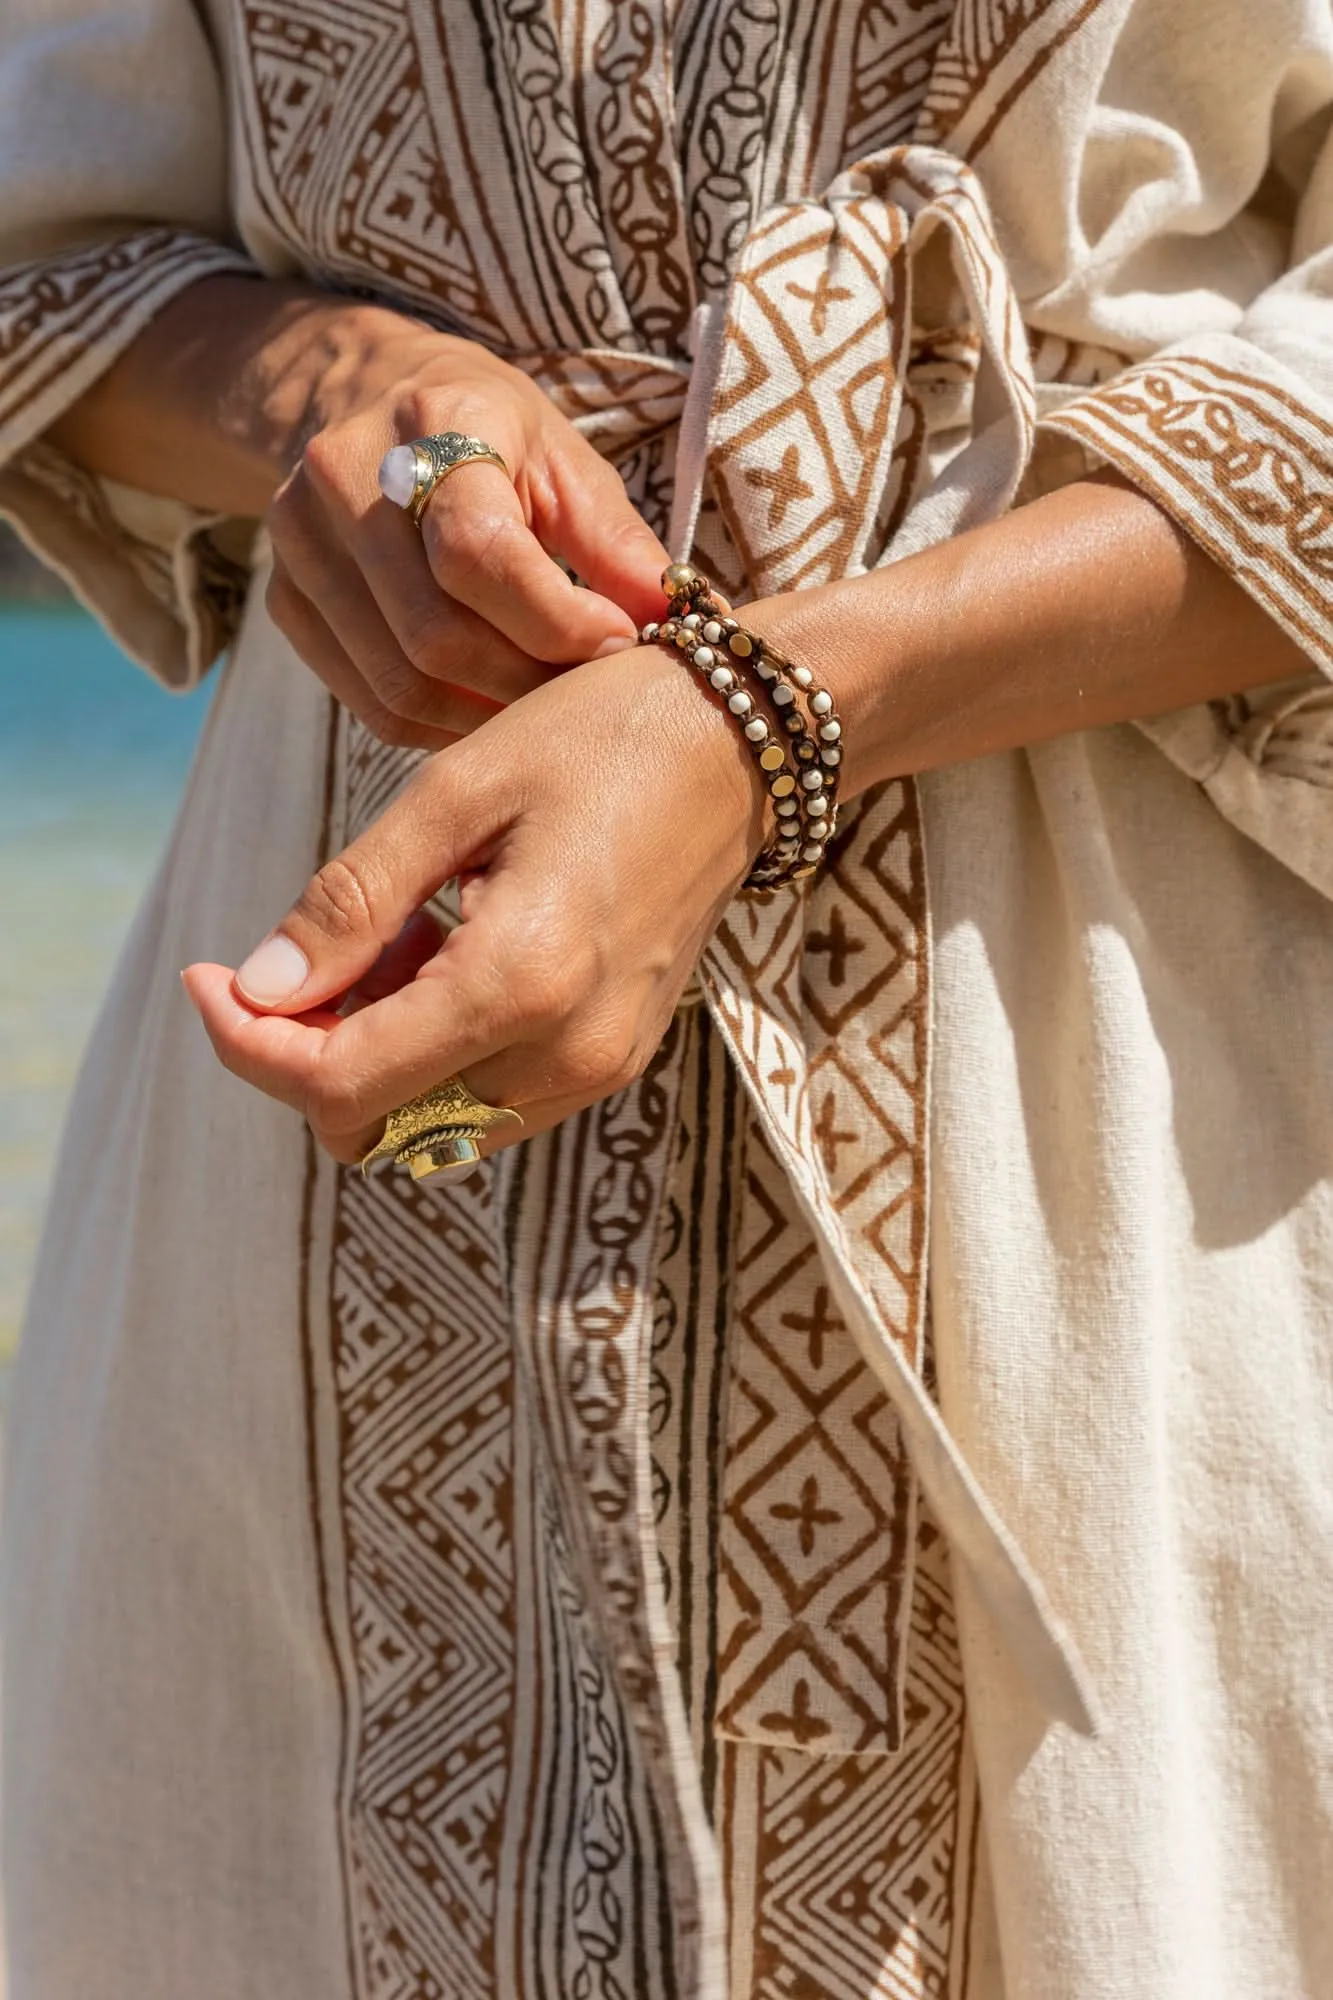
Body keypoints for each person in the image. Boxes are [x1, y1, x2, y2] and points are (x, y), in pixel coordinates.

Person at [2, 0, 1332, 1993]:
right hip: (311, 1196)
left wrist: (774, 714)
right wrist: (331, 395)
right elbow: (47, 249)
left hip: (1103, 1107)